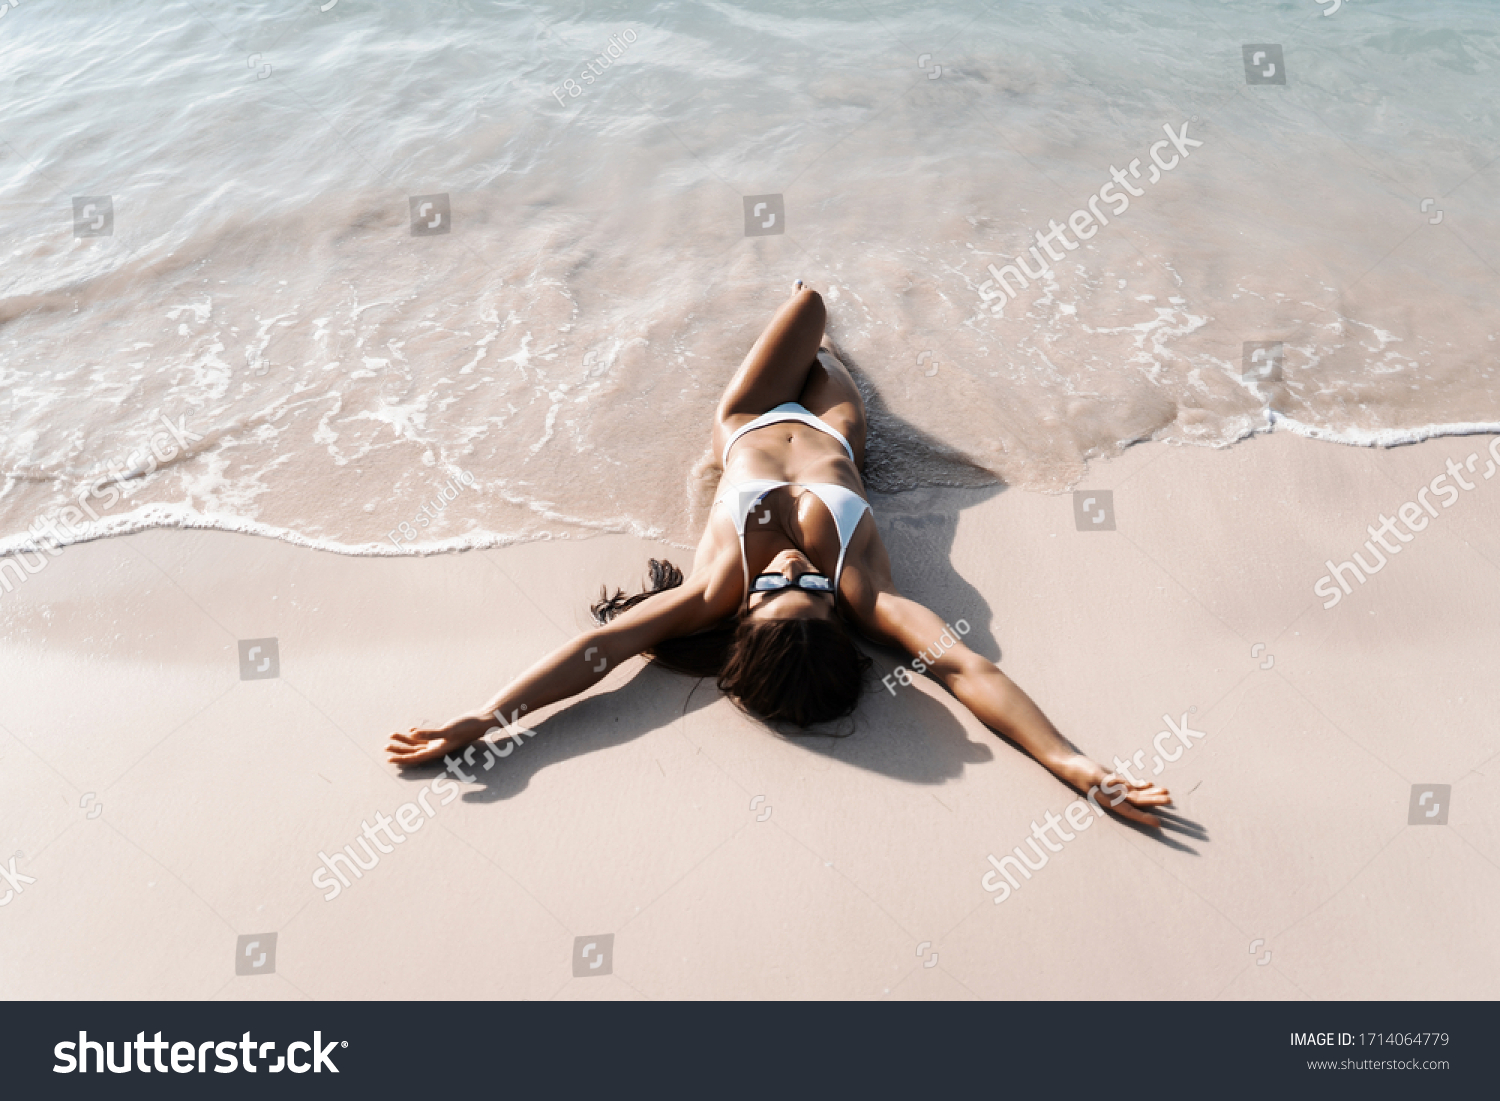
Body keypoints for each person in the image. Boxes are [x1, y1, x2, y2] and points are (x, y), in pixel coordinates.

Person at [387, 283, 1171, 826]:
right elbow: (969, 671)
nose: (793, 568)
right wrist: (1072, 762)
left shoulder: (714, 590)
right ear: (838, 616)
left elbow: (600, 652)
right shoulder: (866, 593)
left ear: (745, 615)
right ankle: (833, 350)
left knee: (804, 305)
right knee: (816, 315)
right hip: (836, 426)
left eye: (773, 587)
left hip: (748, 416)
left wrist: (487, 717)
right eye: (811, 591)